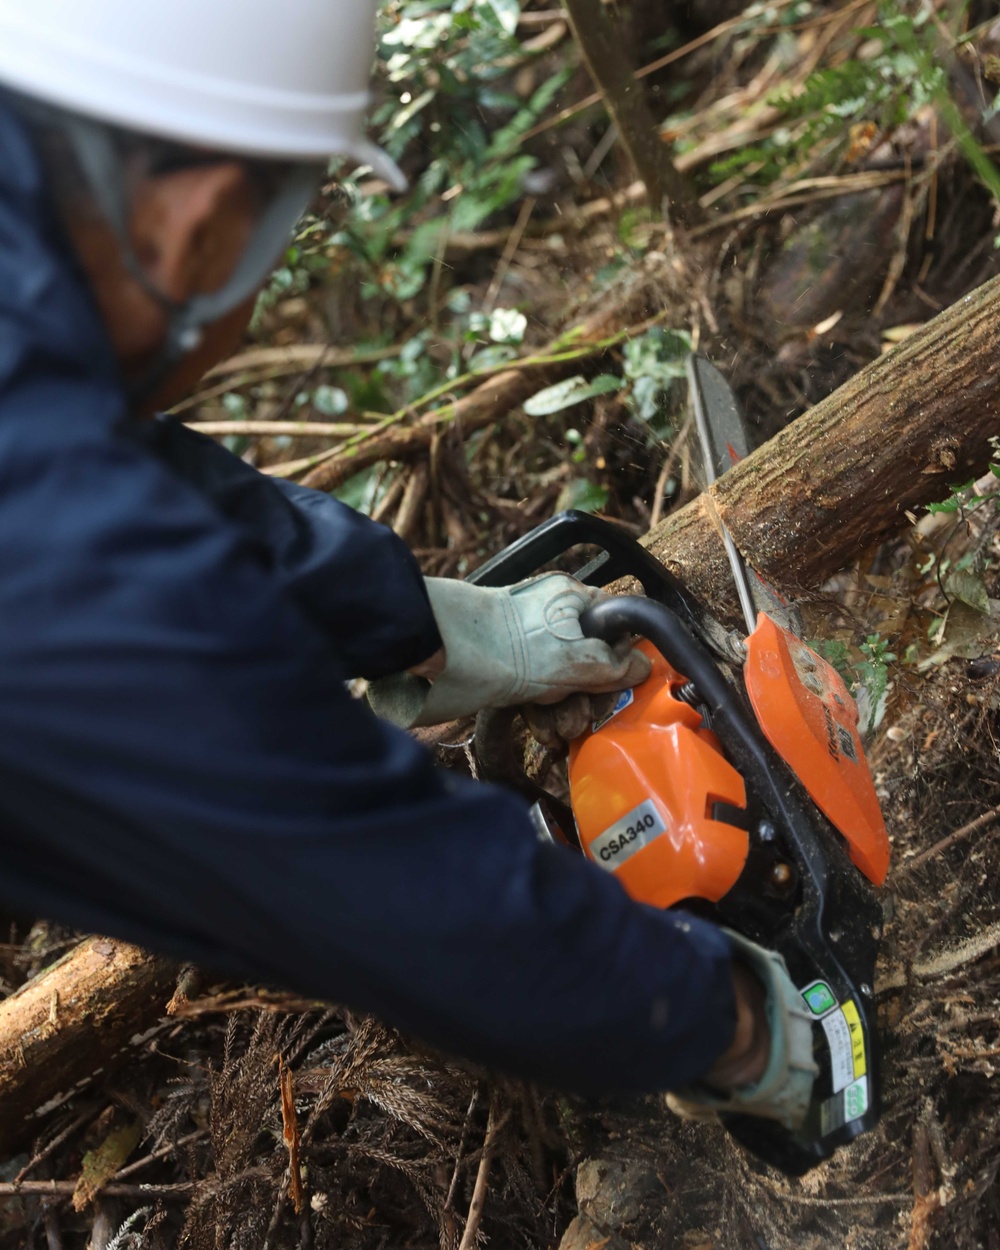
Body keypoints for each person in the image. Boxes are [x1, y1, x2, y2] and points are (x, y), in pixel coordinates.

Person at [0, 0, 815, 1126]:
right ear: (202, 222)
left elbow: (152, 485)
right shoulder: (58, 558)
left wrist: (432, 623)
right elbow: (375, 886)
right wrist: (729, 1019)